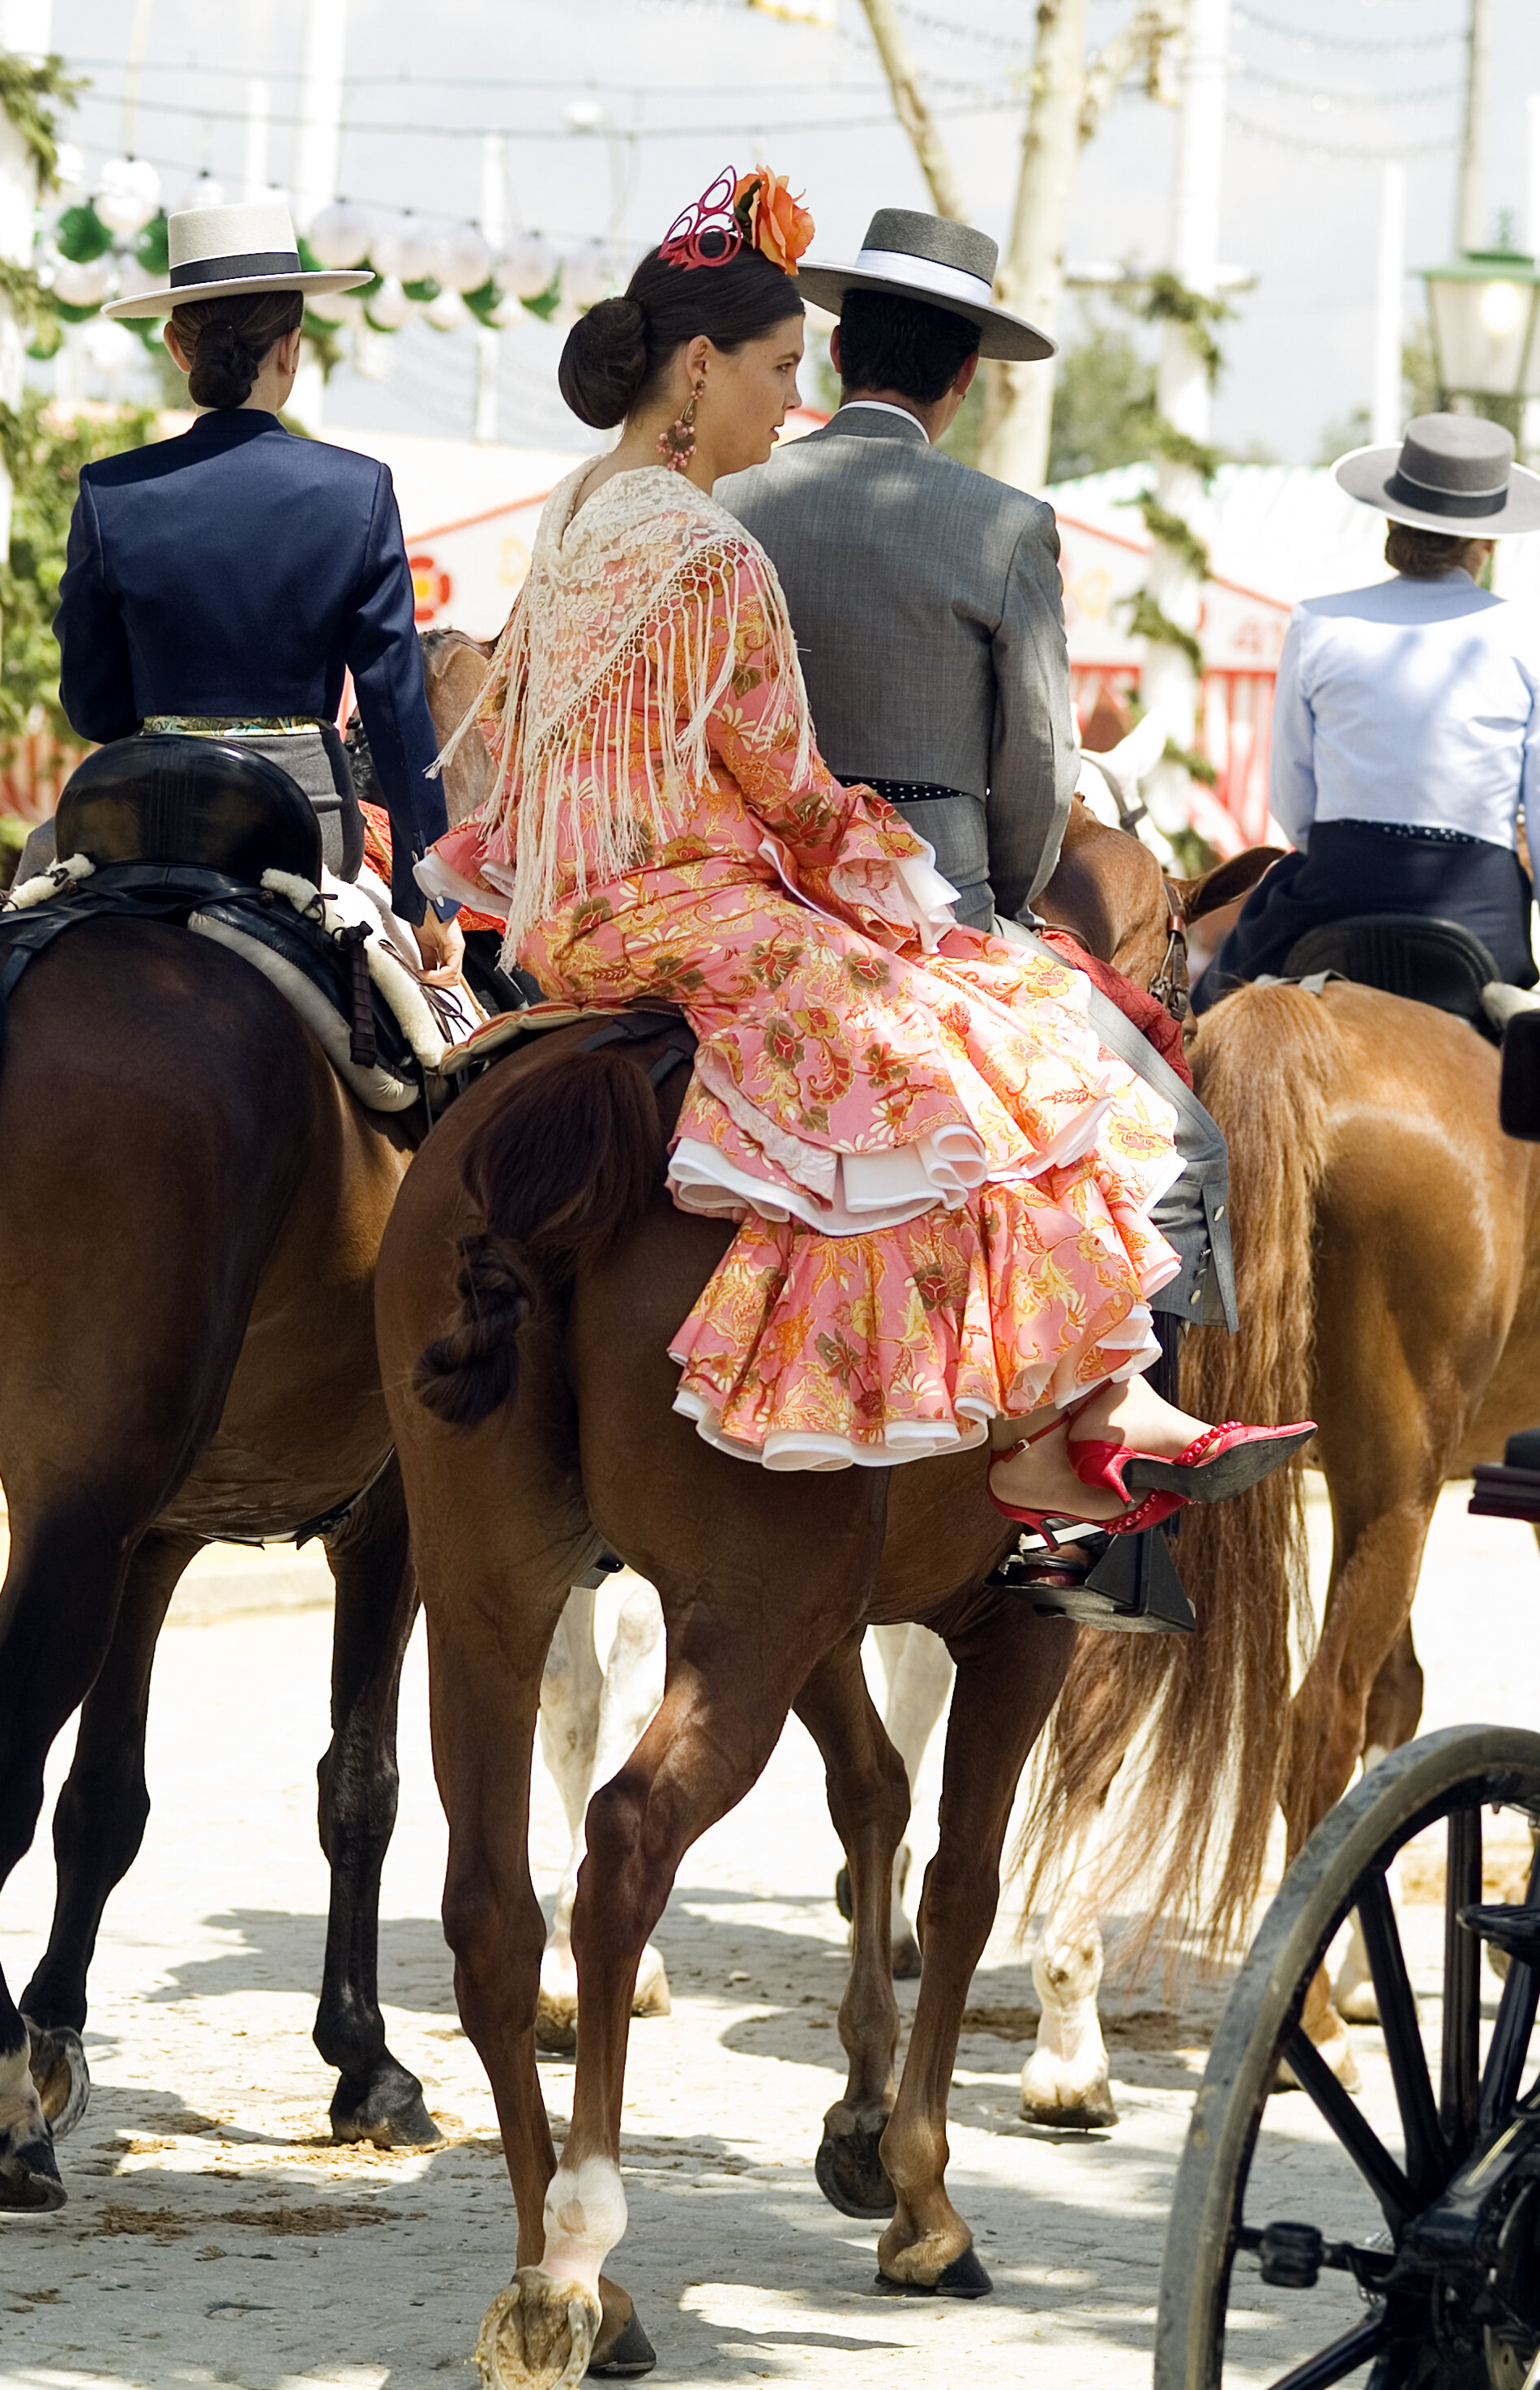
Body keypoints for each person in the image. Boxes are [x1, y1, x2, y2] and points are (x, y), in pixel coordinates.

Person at [421, 165, 1310, 1531]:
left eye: (803, 366)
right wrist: (917, 904)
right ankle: (1084, 1427)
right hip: (704, 905)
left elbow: (519, 724)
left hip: (561, 912)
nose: (792, 401)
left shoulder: (582, 508)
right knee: (1028, 1058)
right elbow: (808, 790)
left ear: (851, 343)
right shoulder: (739, 549)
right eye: (775, 372)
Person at [51, 198, 460, 974]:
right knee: (428, 1056)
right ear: (293, 350)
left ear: (177, 348)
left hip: (139, 821)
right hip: (301, 829)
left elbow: (93, 707)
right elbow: (398, 716)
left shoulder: (111, 492)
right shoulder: (358, 492)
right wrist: (426, 895)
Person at [718, 206, 1073, 932]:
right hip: (933, 904)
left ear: (839, 349)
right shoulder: (1009, 526)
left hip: (743, 889)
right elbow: (1041, 761)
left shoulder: (725, 495)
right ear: (966, 373)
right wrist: (996, 900)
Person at [1197, 411, 1540, 1010]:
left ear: (1391, 516)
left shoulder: (1318, 621)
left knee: (1204, 1014)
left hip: (1339, 881)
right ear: (1486, 540)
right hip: (1477, 901)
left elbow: (1292, 806)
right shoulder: (1527, 631)